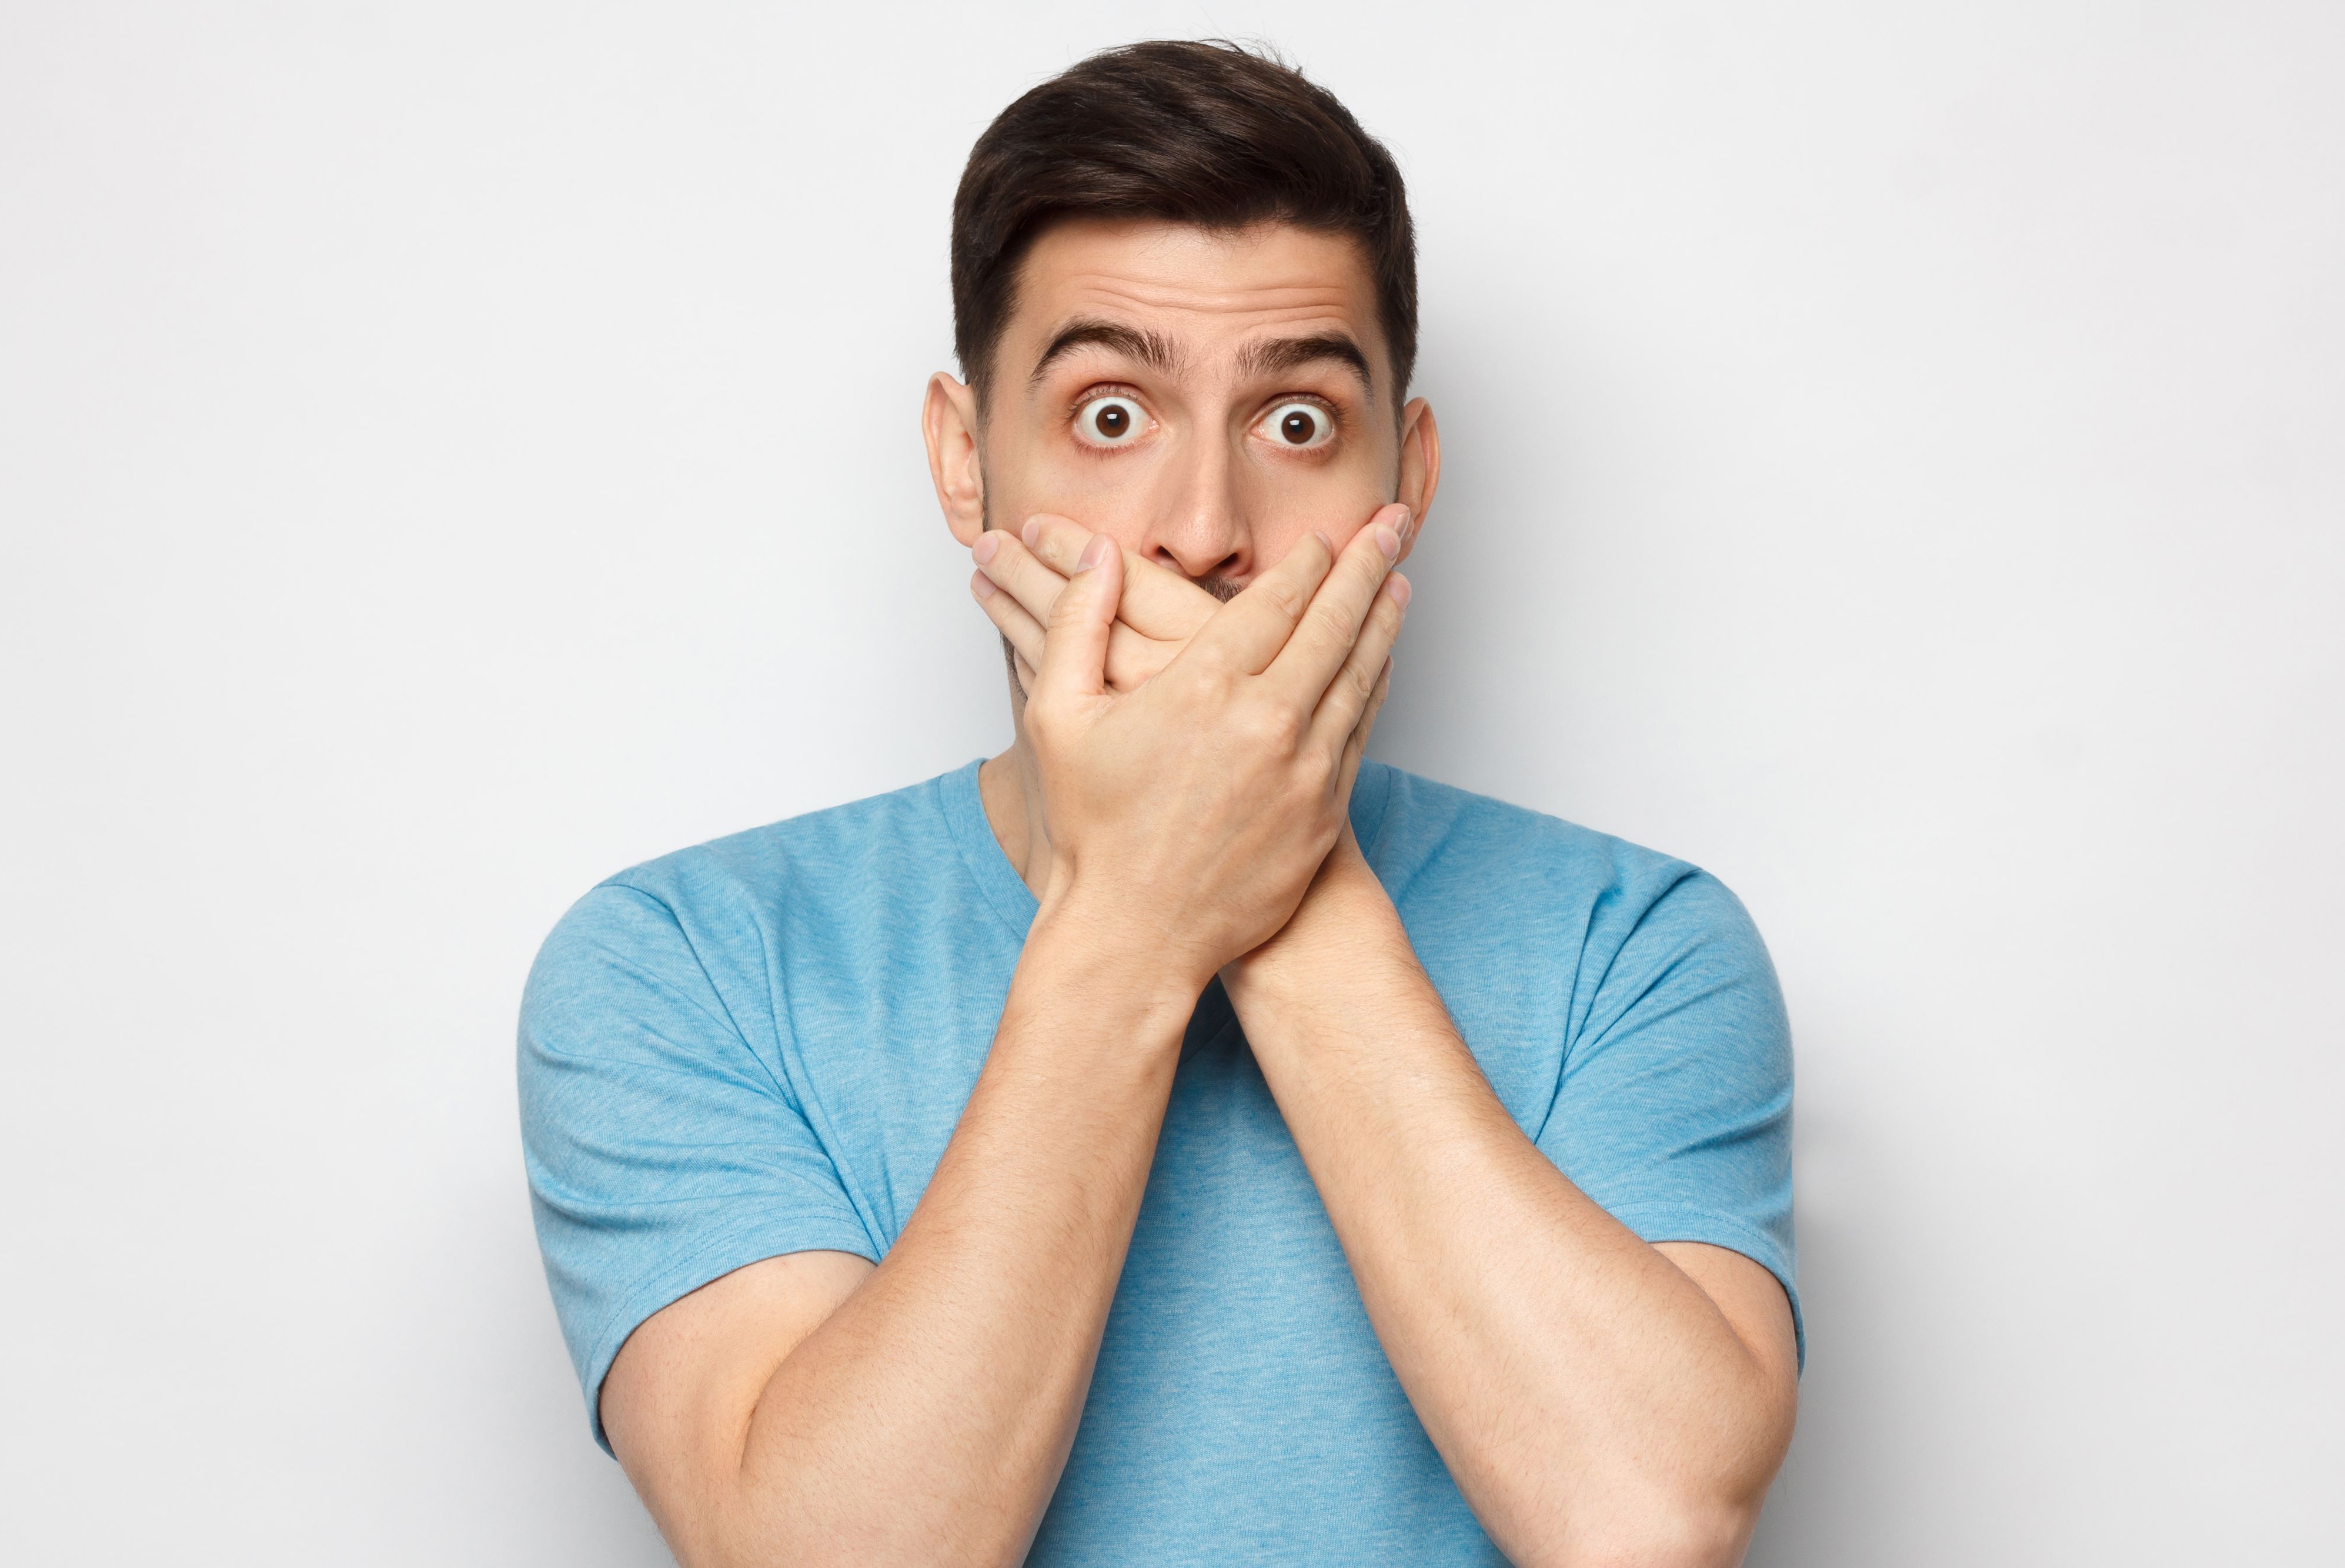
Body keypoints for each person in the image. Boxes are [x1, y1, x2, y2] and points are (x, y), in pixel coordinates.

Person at [520, 39, 1800, 1567]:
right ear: (963, 464)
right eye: (1112, 418)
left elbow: (1645, 1523)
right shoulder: (680, 963)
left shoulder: (1636, 945)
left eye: (1298, 424)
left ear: (1415, 478)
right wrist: (1137, 915)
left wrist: (1281, 887)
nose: (1205, 533)